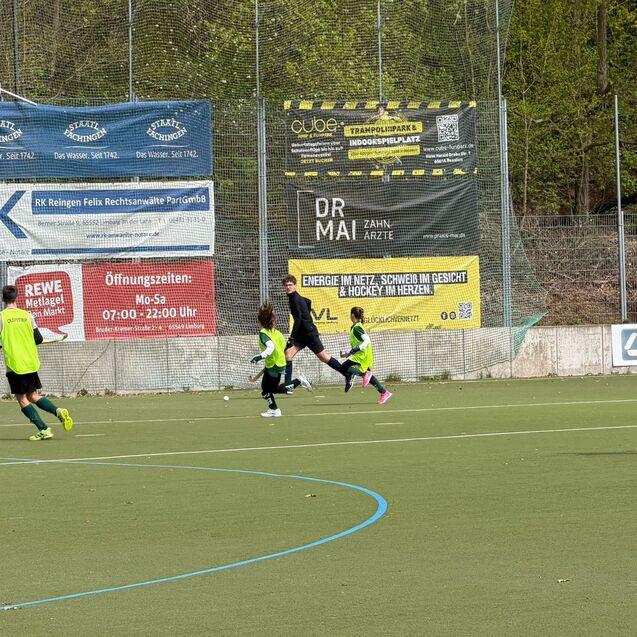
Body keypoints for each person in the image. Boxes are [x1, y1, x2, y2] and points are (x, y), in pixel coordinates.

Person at [0, 285, 73, 440]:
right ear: (16, 298)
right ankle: (58, 411)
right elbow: (38, 339)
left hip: (15, 364)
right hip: (30, 362)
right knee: (33, 395)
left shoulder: (2, 317)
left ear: (3, 299)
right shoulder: (27, 316)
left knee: (22, 399)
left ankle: (44, 429)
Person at [281, 274, 351, 388]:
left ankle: (347, 374)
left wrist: (292, 338)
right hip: (302, 333)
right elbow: (308, 301)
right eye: (286, 285)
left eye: (290, 285)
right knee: (288, 354)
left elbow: (298, 319)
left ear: (295, 286)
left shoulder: (295, 300)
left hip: (309, 334)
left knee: (324, 357)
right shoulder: (294, 298)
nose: (288, 287)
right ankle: (287, 385)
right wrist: (306, 315)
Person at [250, 302, 312, 417]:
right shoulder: (277, 332)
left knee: (266, 390)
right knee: (272, 389)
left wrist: (259, 357)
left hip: (273, 365)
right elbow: (283, 347)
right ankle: (297, 383)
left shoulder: (263, 333)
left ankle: (275, 408)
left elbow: (271, 347)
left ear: (261, 320)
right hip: (280, 363)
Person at [340, 306, 392, 404]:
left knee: (343, 367)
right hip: (362, 354)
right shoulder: (355, 327)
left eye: (350, 314)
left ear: (352, 315)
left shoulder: (357, 328)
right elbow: (357, 343)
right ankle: (384, 393)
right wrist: (348, 353)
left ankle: (362, 374)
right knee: (369, 377)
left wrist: (357, 349)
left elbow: (367, 340)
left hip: (363, 355)